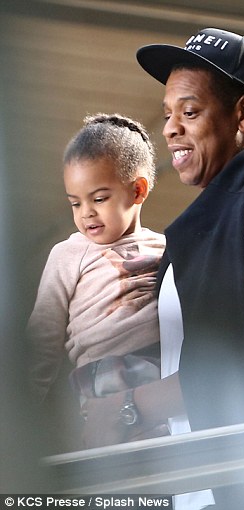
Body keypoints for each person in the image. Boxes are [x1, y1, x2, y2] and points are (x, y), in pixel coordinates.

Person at [80, 28, 244, 510]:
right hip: (201, 487)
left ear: (243, 114)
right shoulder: (208, 222)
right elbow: (189, 358)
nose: (169, 129)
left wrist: (128, 410)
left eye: (189, 112)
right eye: (167, 115)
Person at [27, 114, 166, 438]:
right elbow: (41, 343)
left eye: (99, 198)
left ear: (137, 191)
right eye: (75, 203)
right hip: (102, 381)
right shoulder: (68, 254)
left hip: (165, 379)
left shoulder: (168, 248)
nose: (86, 212)